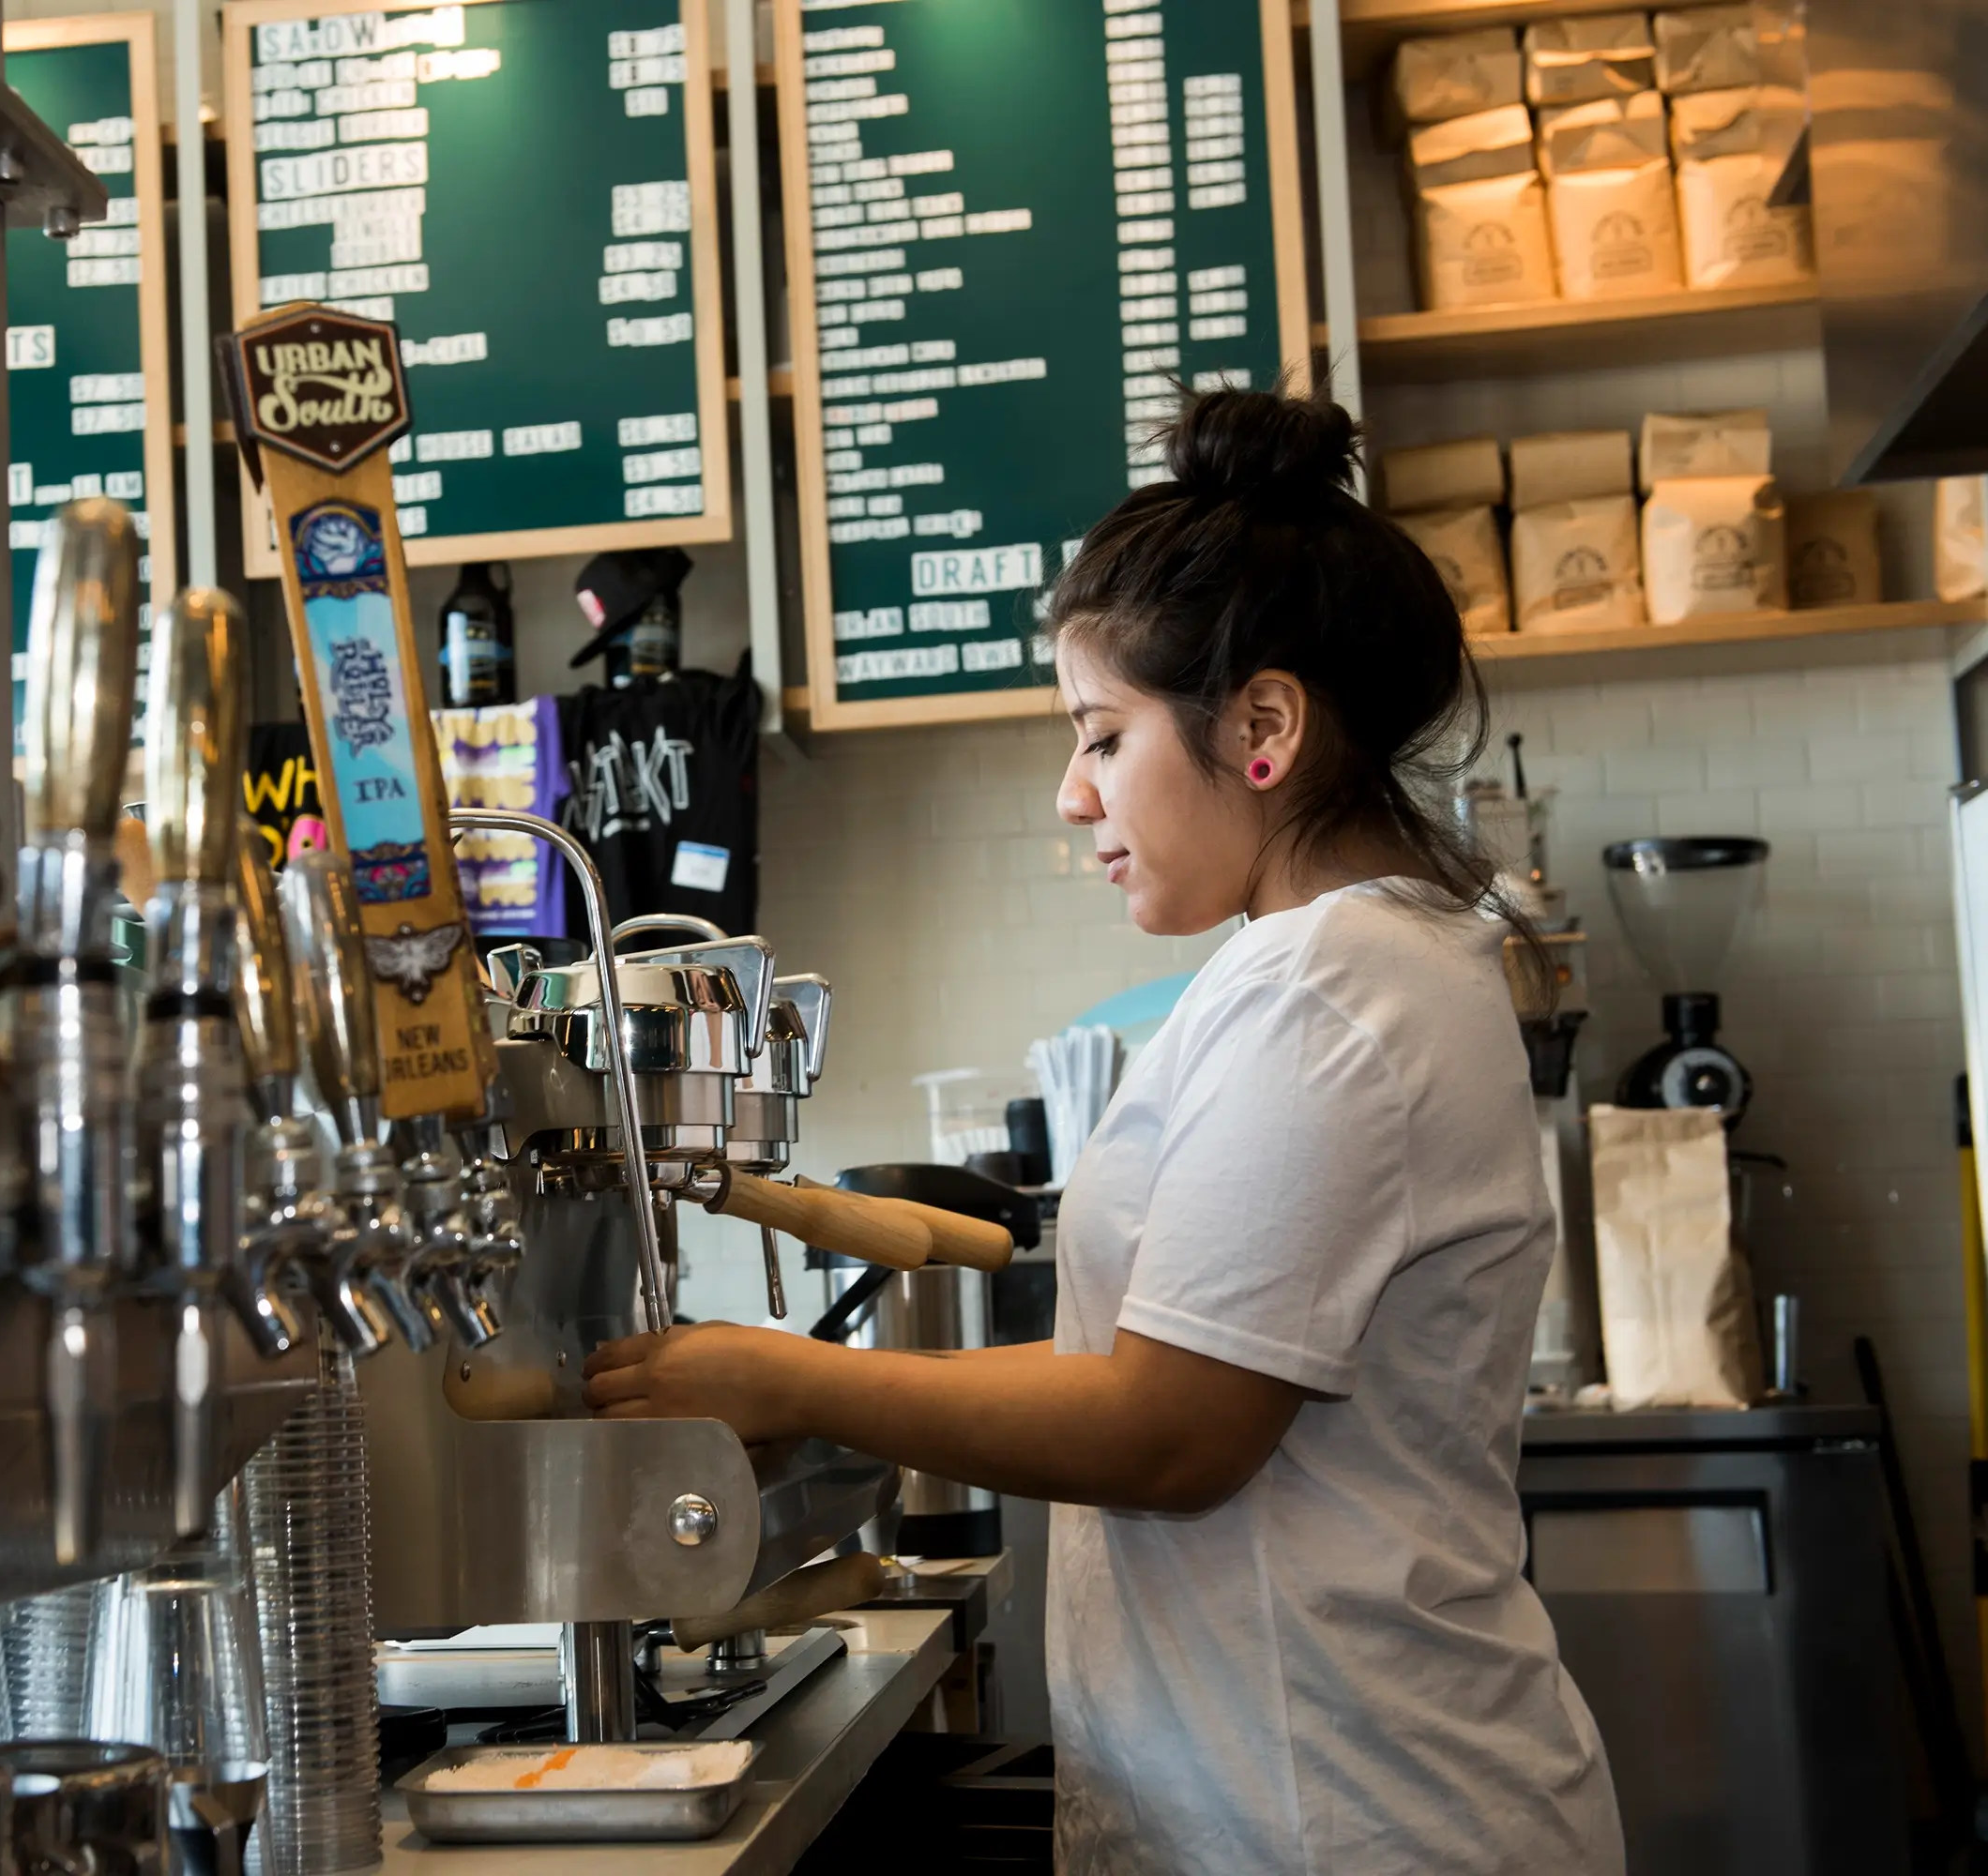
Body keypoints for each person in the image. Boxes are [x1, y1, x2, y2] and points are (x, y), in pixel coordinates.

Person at [584, 388, 1623, 1874]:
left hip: (1352, 1811)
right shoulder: (1357, 963)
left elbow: (1170, 1429)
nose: (1074, 796)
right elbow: (1143, 1371)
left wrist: (795, 1376)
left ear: (1262, 725)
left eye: (1104, 734)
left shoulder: (1328, 995)